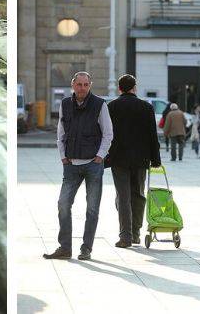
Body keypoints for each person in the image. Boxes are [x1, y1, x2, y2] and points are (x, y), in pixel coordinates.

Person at [46, 73, 112, 261]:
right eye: (79, 84)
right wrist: (63, 157)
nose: (82, 88)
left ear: (90, 85)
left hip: (93, 164)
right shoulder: (65, 104)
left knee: (92, 209)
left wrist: (100, 156)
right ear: (73, 85)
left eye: (86, 84)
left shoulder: (100, 104)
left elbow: (108, 133)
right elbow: (61, 132)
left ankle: (86, 248)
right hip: (71, 164)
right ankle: (64, 248)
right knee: (63, 204)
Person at [104, 75, 163, 248]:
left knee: (122, 197)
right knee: (138, 195)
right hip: (141, 159)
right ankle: (136, 233)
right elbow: (153, 136)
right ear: (134, 88)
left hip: (118, 159)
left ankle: (125, 236)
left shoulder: (111, 107)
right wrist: (156, 159)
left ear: (120, 89)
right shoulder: (146, 107)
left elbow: (106, 134)